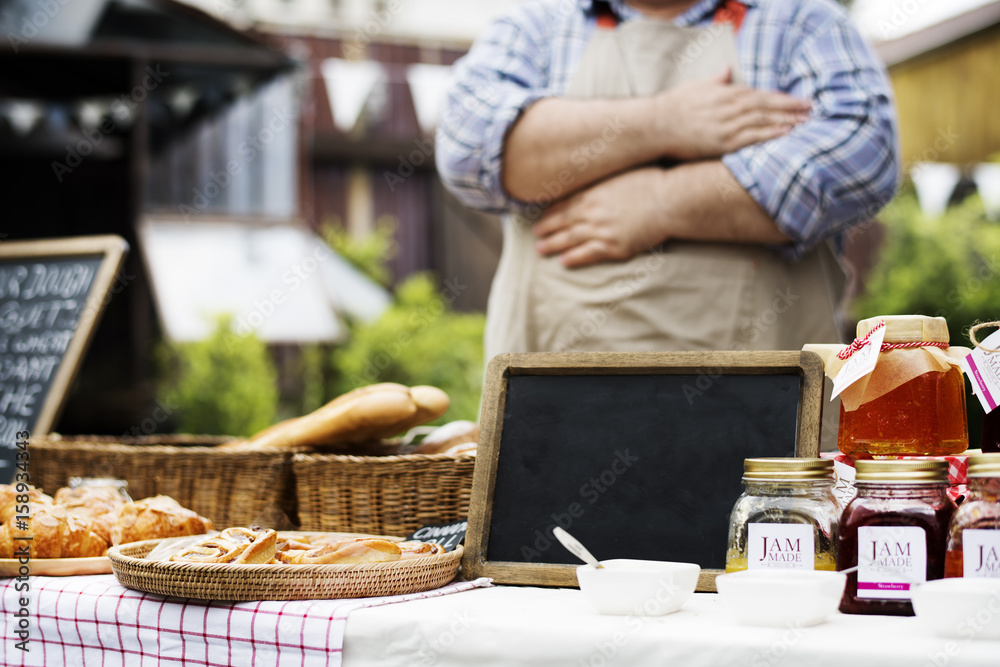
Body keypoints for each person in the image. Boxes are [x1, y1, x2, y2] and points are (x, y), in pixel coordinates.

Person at [436, 0, 899, 360]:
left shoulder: (805, 23)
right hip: (552, 431)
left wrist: (660, 201)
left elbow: (863, 151)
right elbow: (467, 146)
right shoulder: (535, 24)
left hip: (770, 449)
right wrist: (665, 121)